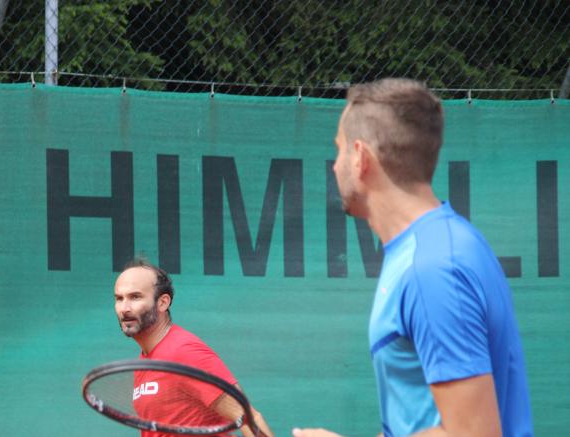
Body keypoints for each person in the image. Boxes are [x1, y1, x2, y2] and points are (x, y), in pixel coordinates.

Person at [293, 79, 532, 437]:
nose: (334, 166)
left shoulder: (433, 270)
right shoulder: (433, 249)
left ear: (360, 158)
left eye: (339, 149)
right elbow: (423, 422)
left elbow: (474, 433)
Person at [115, 258, 273, 437]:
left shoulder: (184, 352)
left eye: (135, 297)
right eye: (119, 298)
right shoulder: (144, 362)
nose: (124, 308)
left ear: (163, 303)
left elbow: (249, 417)